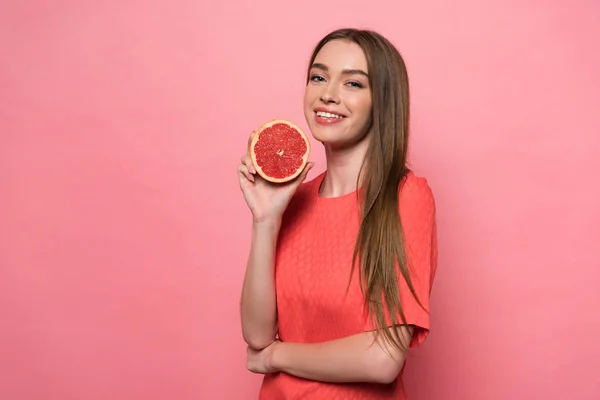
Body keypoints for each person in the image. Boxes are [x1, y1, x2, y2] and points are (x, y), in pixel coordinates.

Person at [237, 27, 438, 399]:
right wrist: (265, 220)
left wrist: (276, 356)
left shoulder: (406, 197)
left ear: (383, 101)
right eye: (318, 77)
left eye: (354, 84)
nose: (328, 94)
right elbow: (256, 335)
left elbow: (383, 358)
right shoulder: (292, 201)